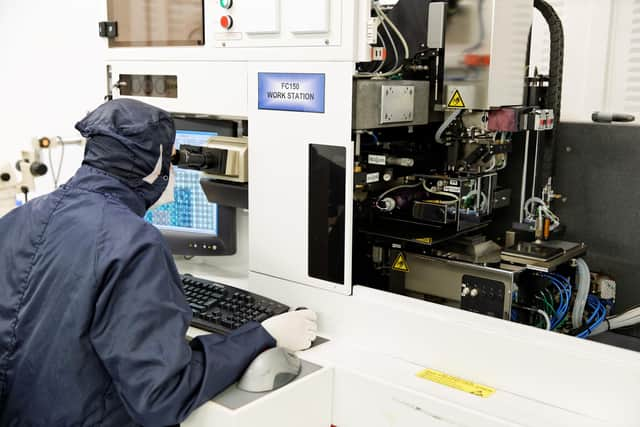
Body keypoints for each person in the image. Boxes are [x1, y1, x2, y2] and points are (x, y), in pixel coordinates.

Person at [0, 99, 317, 426]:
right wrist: (262, 336)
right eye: (170, 159)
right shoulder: (133, 243)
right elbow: (160, 396)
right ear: (155, 166)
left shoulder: (18, 218)